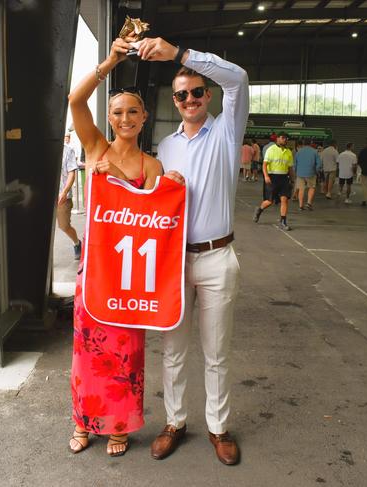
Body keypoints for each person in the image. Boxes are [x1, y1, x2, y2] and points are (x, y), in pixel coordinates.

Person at [137, 37, 247, 465]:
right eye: (181, 94)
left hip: (218, 257)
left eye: (196, 92)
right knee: (174, 348)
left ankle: (218, 428)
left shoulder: (225, 130)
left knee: (216, 350)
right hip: (174, 260)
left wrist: (180, 55)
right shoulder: (166, 147)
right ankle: (175, 421)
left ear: (208, 95)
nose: (188, 99)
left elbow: (238, 78)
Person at [67, 36, 163, 458]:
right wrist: (109, 61)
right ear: (108, 117)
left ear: (144, 118)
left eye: (132, 112)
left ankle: (118, 424)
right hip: (95, 269)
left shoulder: (153, 167)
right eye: (118, 112)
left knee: (125, 352)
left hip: (131, 279)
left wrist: (176, 186)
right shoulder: (95, 148)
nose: (125, 118)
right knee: (87, 352)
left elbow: (162, 225)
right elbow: (74, 100)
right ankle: (83, 421)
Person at [253, 132, 294, 231]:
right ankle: (259, 209)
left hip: (284, 178)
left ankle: (283, 221)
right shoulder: (271, 150)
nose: (285, 140)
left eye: (286, 138)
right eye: (283, 138)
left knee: (284, 199)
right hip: (273, 177)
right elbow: (264, 165)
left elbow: (290, 168)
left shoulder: (289, 152)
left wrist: (292, 179)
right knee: (269, 201)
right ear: (278, 139)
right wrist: (266, 176)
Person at [56, 132, 82, 260]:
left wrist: (65, 192)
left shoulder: (68, 151)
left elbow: (72, 173)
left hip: (62, 196)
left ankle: (77, 243)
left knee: (63, 225)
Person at [294, 139, 322, 211]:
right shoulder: (314, 152)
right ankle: (309, 203)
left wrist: (295, 171)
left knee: (301, 189)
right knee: (311, 187)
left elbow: (295, 164)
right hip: (311, 173)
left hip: (300, 173)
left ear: (303, 143)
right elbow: (319, 163)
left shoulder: (299, 152)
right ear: (311, 143)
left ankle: (300, 206)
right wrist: (316, 170)